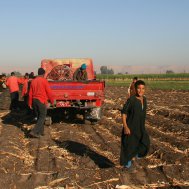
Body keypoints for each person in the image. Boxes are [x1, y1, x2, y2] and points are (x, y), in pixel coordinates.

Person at [120, 80, 150, 170]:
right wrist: (125, 127)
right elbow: (123, 113)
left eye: (143, 88)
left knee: (145, 143)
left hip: (140, 127)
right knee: (129, 147)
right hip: (130, 128)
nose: (141, 90)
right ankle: (127, 167)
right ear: (135, 89)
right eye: (139, 88)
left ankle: (134, 156)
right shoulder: (132, 100)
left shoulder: (144, 100)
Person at [28, 68, 55, 138]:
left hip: (34, 100)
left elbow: (30, 93)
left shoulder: (33, 81)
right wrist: (52, 101)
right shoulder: (44, 81)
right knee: (42, 116)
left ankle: (40, 132)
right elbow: (49, 92)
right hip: (41, 100)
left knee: (39, 116)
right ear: (43, 74)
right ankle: (34, 131)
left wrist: (30, 103)